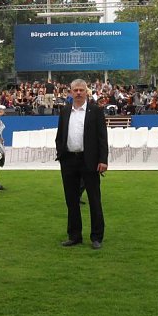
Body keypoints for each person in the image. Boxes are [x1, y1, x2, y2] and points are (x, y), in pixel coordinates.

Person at [55, 78, 108, 250]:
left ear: (87, 92)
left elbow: (102, 138)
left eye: (81, 90)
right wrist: (61, 154)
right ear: (70, 92)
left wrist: (103, 160)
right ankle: (74, 235)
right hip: (69, 160)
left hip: (90, 160)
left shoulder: (96, 111)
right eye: (75, 90)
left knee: (94, 199)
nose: (78, 93)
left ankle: (96, 237)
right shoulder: (64, 111)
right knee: (71, 200)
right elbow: (60, 135)